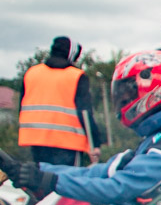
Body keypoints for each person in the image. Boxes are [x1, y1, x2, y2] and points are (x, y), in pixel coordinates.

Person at [0, 51, 161, 205]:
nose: (123, 100)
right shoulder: (157, 141)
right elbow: (95, 173)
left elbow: (116, 188)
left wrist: (49, 181)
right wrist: (36, 171)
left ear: (156, 91)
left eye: (127, 94)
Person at [18, 36, 100, 167]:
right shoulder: (76, 76)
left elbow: (22, 106)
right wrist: (94, 144)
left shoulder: (31, 73)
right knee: (67, 178)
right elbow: (85, 113)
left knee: (42, 177)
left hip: (36, 139)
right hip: (68, 143)